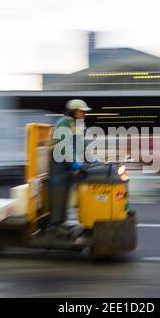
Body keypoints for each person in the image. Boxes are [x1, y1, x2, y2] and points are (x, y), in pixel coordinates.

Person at [47, 99, 91, 237]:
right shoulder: (63, 123)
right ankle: (55, 226)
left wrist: (90, 157)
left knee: (66, 194)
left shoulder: (76, 123)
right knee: (58, 194)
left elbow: (81, 142)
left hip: (67, 165)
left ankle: (62, 223)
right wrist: (74, 162)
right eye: (82, 111)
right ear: (73, 111)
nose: (84, 113)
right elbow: (63, 146)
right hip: (59, 164)